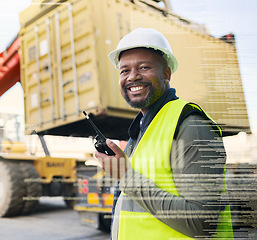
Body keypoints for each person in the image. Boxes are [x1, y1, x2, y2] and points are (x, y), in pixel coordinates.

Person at [95, 28, 234, 239]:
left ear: (166, 74)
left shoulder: (190, 126)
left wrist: (126, 177)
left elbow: (201, 223)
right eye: (124, 71)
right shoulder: (141, 130)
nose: (133, 77)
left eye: (144, 67)